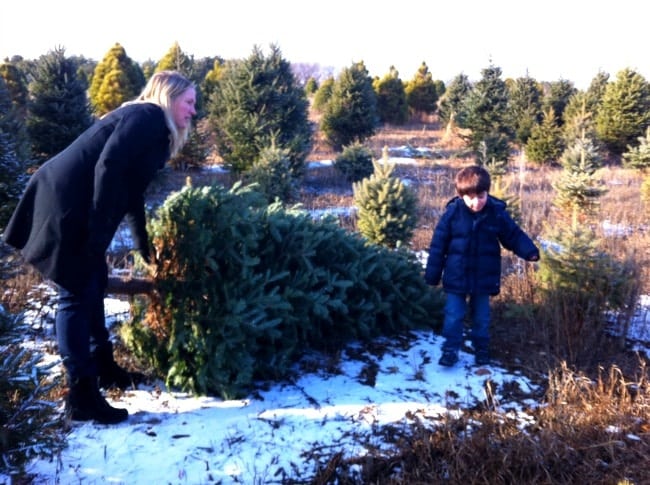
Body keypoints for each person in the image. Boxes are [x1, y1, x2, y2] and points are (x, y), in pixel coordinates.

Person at [2, 70, 196, 424]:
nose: (193, 111)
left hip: (77, 203)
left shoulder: (153, 128)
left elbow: (133, 188)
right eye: (189, 102)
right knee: (75, 293)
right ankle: (81, 397)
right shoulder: (147, 116)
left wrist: (142, 244)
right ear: (169, 96)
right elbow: (108, 164)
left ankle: (104, 368)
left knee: (92, 280)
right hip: (65, 203)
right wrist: (96, 228)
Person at [424, 165, 539, 367]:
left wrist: (528, 251)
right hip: (456, 276)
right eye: (471, 197)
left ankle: (482, 349)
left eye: (481, 195)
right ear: (461, 196)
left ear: (487, 191)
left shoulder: (496, 213)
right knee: (454, 315)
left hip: (483, 277)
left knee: (482, 318)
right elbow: (438, 246)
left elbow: (513, 235)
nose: (477, 202)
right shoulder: (452, 214)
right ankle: (450, 350)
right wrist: (433, 275)